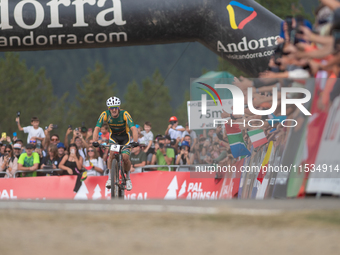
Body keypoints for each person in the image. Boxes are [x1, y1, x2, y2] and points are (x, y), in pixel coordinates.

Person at [92, 96, 138, 190]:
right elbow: (97, 128)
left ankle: (128, 178)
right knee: (112, 153)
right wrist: (95, 141)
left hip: (125, 138)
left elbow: (133, 128)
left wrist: (135, 141)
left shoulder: (124, 113)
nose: (113, 110)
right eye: (111, 108)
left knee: (125, 157)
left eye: (115, 107)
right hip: (114, 138)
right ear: (109, 109)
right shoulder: (105, 114)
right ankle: (109, 178)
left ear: (119, 107)